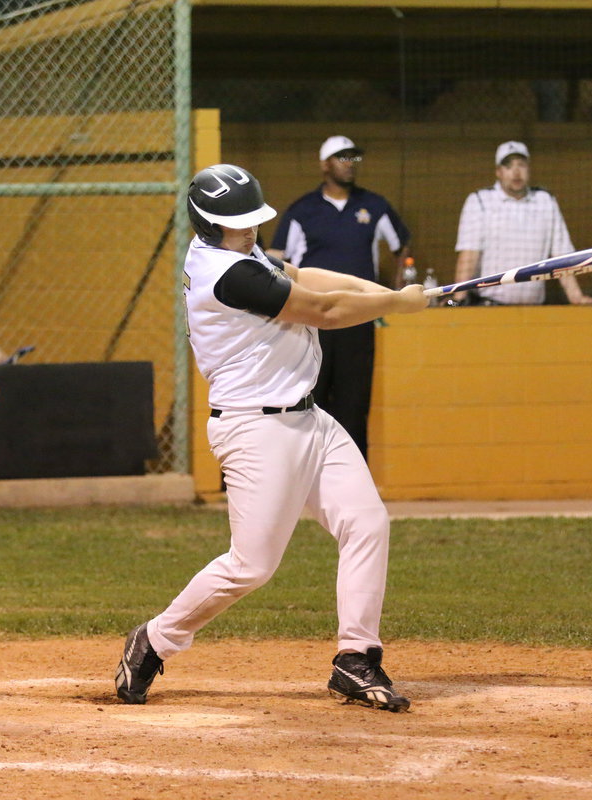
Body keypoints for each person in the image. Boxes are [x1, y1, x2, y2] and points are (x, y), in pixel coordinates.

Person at [114, 164, 428, 712]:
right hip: (256, 428)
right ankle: (155, 639)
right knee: (251, 566)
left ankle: (356, 658)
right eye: (237, 224)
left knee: (367, 523)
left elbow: (309, 276)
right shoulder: (225, 273)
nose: (249, 230)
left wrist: (392, 293)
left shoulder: (246, 253)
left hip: (310, 419)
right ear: (209, 225)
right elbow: (323, 310)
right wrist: (398, 305)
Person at [266, 135, 411, 458]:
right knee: (310, 394)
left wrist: (394, 290)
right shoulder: (302, 210)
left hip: (358, 318)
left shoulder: (374, 205)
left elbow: (402, 248)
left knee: (354, 398)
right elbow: (277, 257)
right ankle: (308, 467)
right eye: (341, 157)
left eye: (352, 157)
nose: (349, 163)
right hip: (311, 318)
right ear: (324, 164)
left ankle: (352, 467)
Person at [452, 141, 592, 306]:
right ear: (498, 172)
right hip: (488, 307)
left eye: (521, 165)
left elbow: (561, 256)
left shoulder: (545, 201)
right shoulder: (480, 200)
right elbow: (469, 255)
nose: (516, 172)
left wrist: (576, 297)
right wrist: (458, 299)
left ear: (529, 169)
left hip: (534, 308)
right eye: (508, 166)